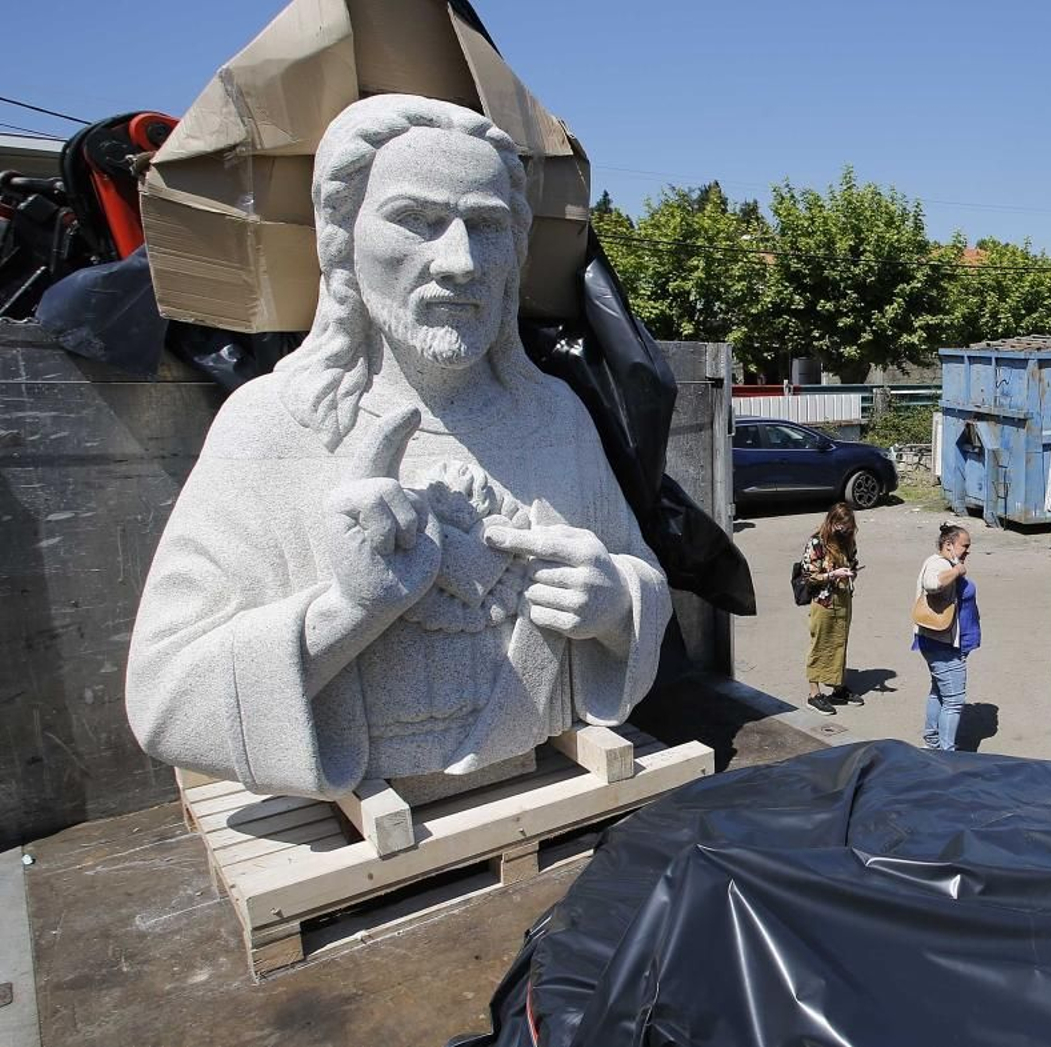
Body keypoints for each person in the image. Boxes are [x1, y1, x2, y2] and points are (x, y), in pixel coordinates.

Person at [125, 96, 671, 799]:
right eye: (416, 220)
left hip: (541, 779)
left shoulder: (555, 419)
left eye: (487, 226)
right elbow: (166, 695)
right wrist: (347, 611)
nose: (459, 261)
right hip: (372, 813)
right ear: (341, 239)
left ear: (517, 253)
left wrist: (614, 604)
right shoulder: (272, 426)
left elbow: (641, 578)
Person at [914, 523, 981, 750]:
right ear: (949, 545)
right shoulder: (939, 563)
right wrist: (956, 571)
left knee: (939, 692)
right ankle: (946, 752)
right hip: (942, 645)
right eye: (965, 546)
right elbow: (931, 584)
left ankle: (932, 742)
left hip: (942, 643)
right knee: (954, 701)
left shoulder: (947, 562)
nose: (968, 551)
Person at [801, 503, 862, 716]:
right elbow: (809, 576)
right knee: (820, 643)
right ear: (832, 522)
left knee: (839, 642)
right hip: (823, 600)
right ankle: (814, 693)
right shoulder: (817, 542)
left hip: (843, 598)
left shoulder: (848, 541)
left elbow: (853, 562)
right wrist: (833, 575)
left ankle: (838, 686)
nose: (845, 530)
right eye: (841, 525)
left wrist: (851, 573)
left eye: (848, 526)